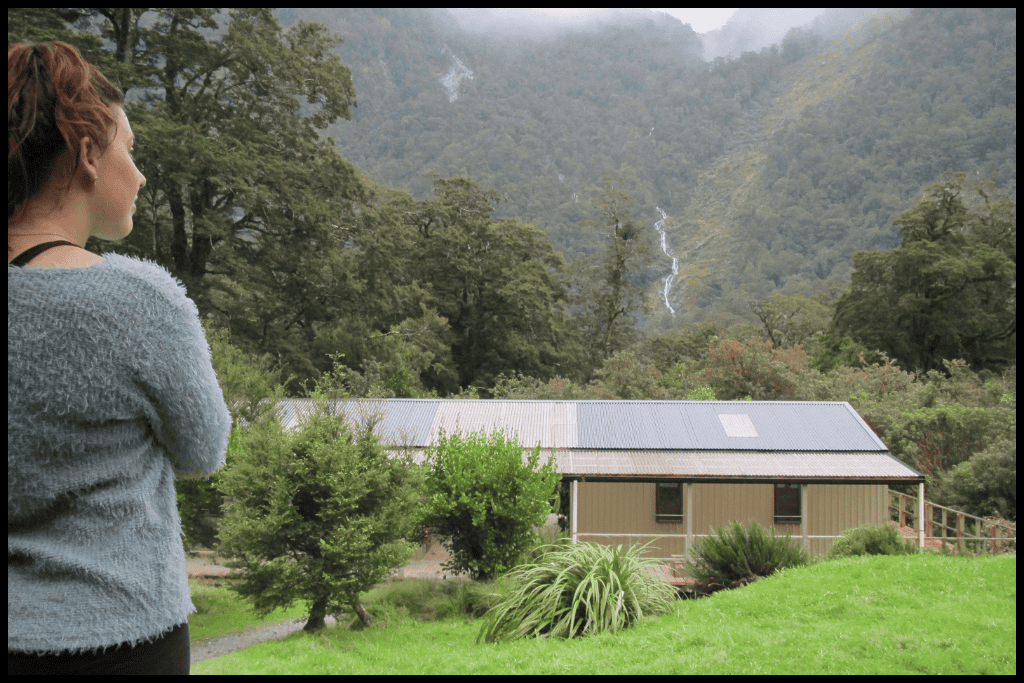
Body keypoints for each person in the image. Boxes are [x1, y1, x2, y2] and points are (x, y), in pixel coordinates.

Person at [8, 41, 232, 674]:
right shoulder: (139, 301)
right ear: (85, 154)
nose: (138, 174)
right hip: (124, 638)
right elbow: (204, 449)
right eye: (127, 151)